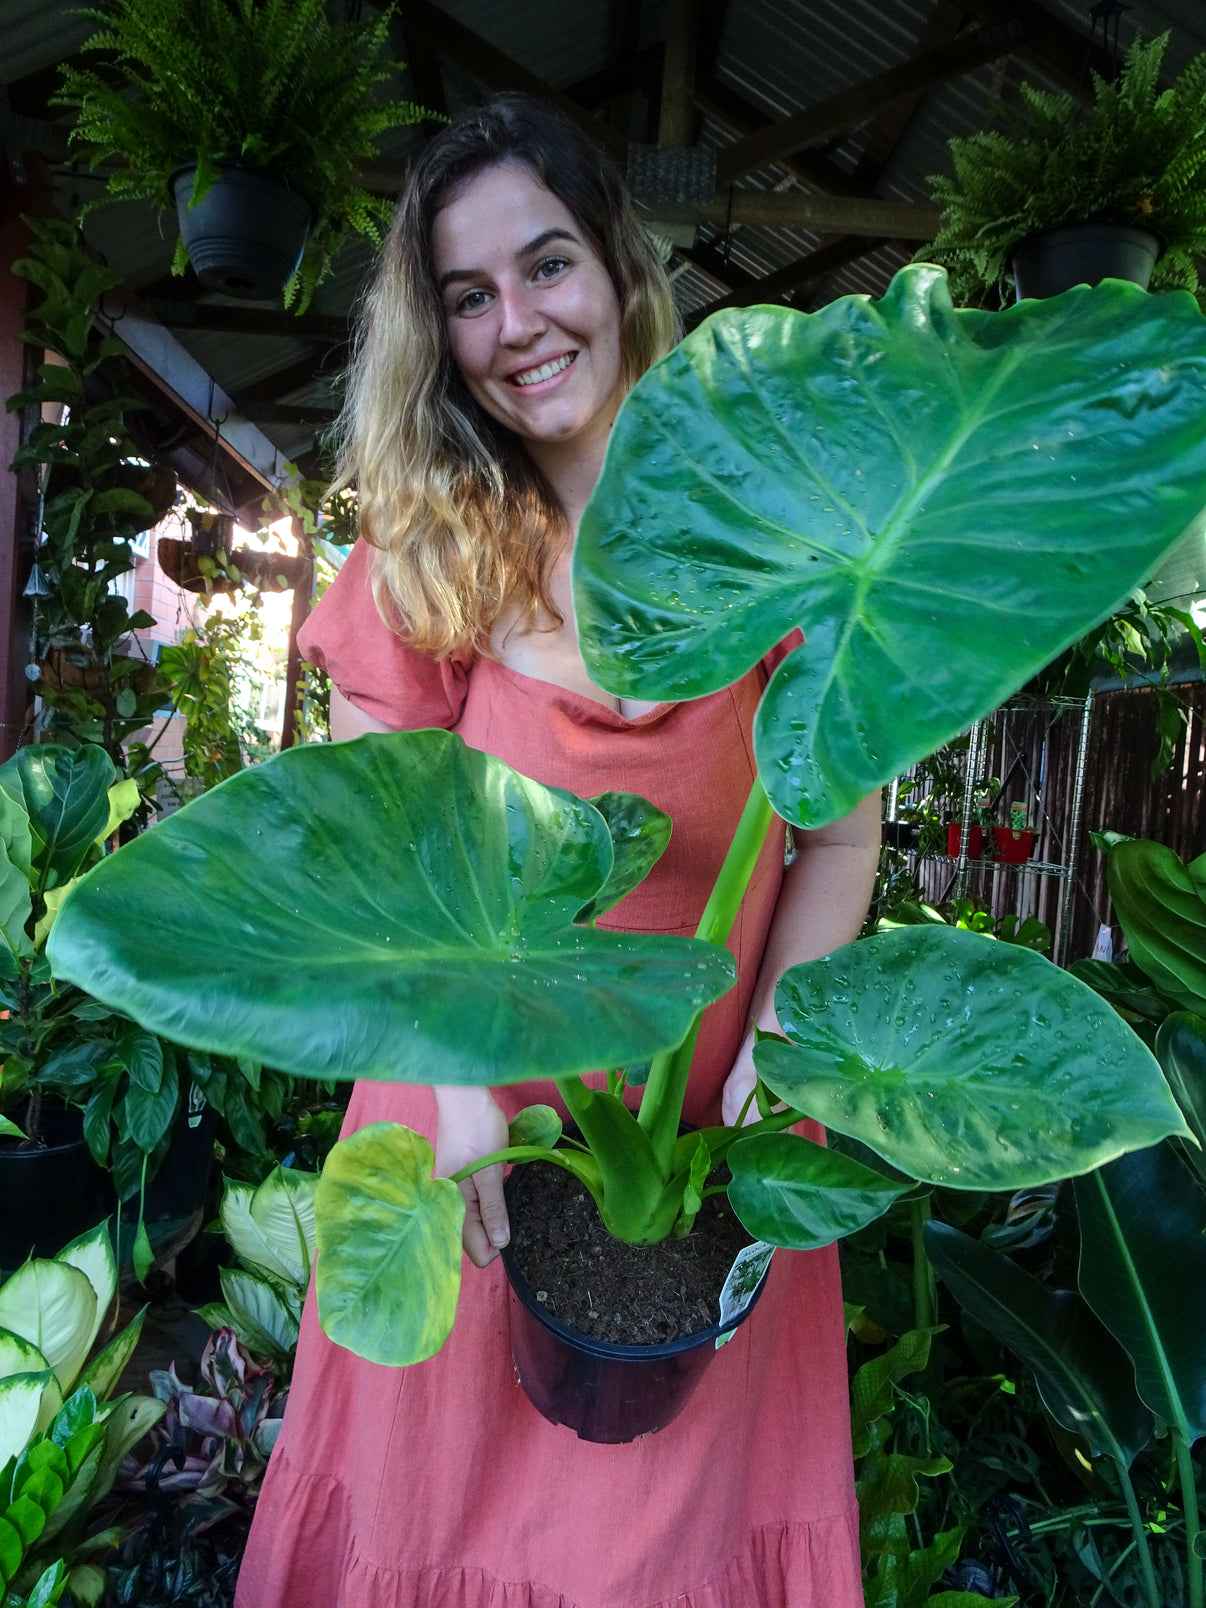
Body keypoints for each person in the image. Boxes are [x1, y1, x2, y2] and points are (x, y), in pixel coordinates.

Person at [236, 94, 880, 1608]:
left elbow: (839, 837)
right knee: (436, 1517)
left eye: (546, 265)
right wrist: (458, 1091)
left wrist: (776, 1054)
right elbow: (374, 860)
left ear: (620, 273)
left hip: (710, 1124)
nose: (516, 323)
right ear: (434, 330)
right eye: (468, 296)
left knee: (670, 1537)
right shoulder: (431, 547)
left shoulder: (778, 535)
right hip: (474, 1111)